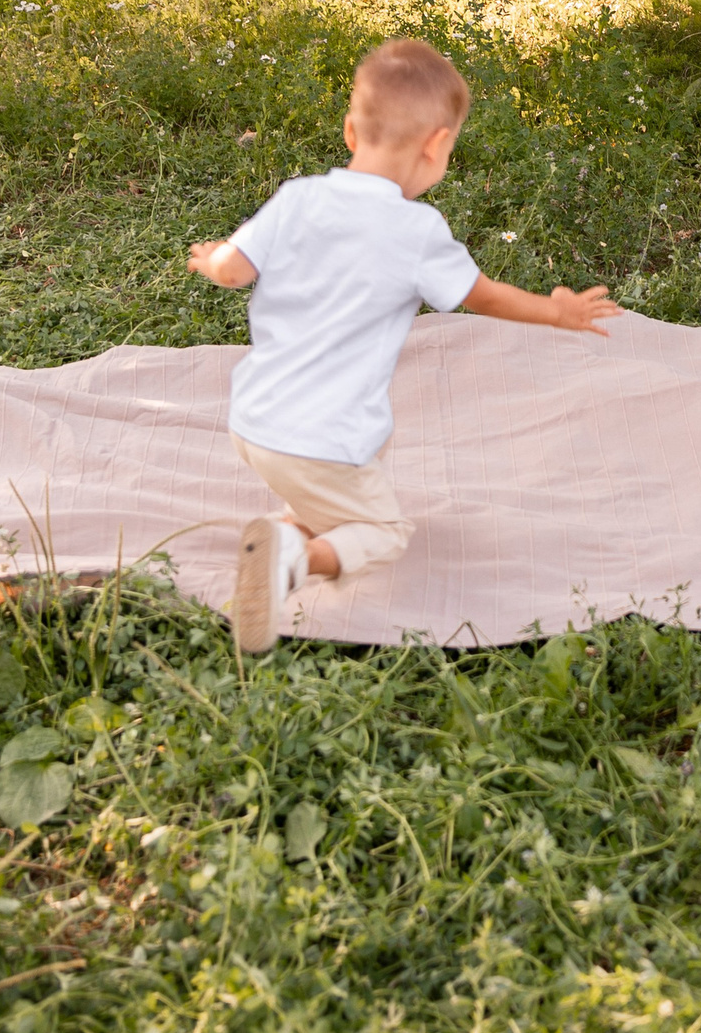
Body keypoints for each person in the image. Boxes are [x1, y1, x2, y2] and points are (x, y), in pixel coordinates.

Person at [188, 38, 622, 653]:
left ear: (349, 132)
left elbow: (235, 270)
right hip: (324, 439)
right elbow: (485, 297)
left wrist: (210, 261)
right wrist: (556, 312)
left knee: (353, 459)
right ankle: (294, 559)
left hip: (254, 420)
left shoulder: (298, 197)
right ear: (437, 145)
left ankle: (292, 525)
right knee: (385, 529)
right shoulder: (417, 231)